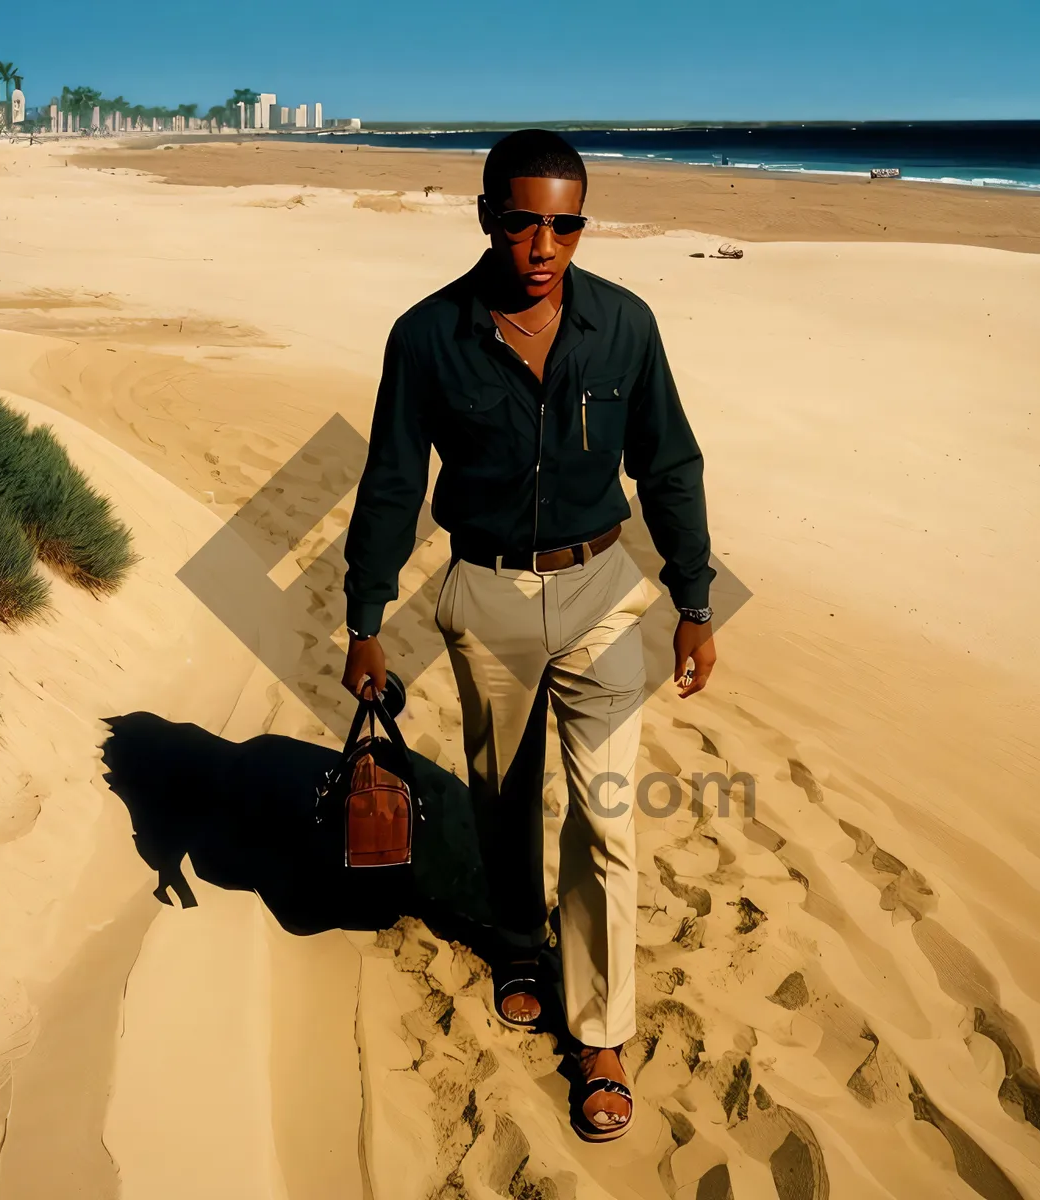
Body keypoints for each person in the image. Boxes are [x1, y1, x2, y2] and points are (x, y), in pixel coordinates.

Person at [341, 128, 716, 1142]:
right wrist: (364, 617)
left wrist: (695, 599)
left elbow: (668, 465)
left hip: (603, 591)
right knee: (504, 792)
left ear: (581, 225)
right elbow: (390, 481)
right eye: (522, 220)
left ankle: (600, 1030)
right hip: (486, 592)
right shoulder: (426, 336)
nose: (544, 243)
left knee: (605, 812)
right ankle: (515, 940)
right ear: (486, 217)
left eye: (565, 222)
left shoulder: (625, 327)